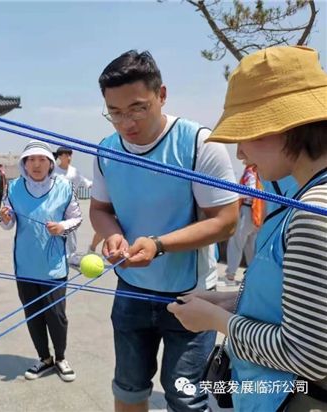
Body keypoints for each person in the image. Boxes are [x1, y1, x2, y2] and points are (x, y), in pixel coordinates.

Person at [168, 45, 327, 411]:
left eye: (247, 133)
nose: (240, 153)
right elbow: (305, 307)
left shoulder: (313, 211)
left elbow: (308, 355)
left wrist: (217, 320)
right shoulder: (303, 195)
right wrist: (233, 301)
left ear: (284, 126)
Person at [89, 50, 239, 411]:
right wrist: (111, 234)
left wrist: (159, 245)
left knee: (186, 398)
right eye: (115, 112)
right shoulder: (106, 150)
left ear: (162, 95)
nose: (126, 122)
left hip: (191, 295)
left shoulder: (198, 144)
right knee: (127, 387)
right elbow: (100, 210)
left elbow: (226, 220)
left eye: (137, 108)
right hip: (131, 292)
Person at [0, 141, 82, 382]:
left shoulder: (64, 187)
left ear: (50, 163)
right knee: (33, 314)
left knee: (57, 315)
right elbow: (7, 224)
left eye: (41, 160)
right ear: (24, 163)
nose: (36, 165)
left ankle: (61, 357)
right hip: (25, 265)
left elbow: (76, 218)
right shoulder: (13, 188)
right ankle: (44, 358)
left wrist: (62, 227)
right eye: (30, 160)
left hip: (54, 266)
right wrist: (5, 217)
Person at [224, 163, 264, 285]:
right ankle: (252, 276)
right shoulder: (262, 171)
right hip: (257, 212)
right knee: (250, 246)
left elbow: (249, 191)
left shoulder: (250, 171)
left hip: (247, 211)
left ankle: (230, 276)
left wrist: (232, 194)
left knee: (236, 243)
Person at [54, 146, 94, 266]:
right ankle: (56, 254)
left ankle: (71, 256)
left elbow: (87, 184)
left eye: (70, 155)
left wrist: (103, 181)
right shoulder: (53, 171)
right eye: (66, 155)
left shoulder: (74, 172)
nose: (69, 157)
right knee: (56, 229)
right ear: (60, 157)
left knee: (72, 231)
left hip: (71, 206)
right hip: (55, 206)